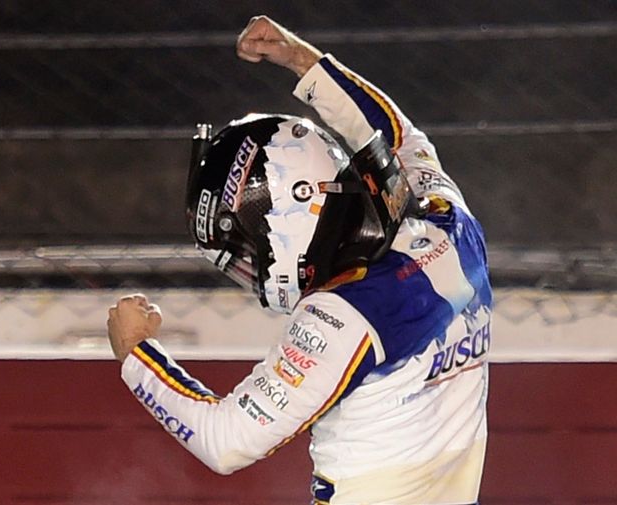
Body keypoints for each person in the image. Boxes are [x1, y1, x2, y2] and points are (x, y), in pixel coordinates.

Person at [107, 15, 492, 505]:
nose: (250, 272)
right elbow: (399, 137)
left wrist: (137, 353)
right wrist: (301, 59)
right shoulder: (451, 223)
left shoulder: (344, 317)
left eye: (246, 255)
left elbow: (224, 442)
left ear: (289, 223)